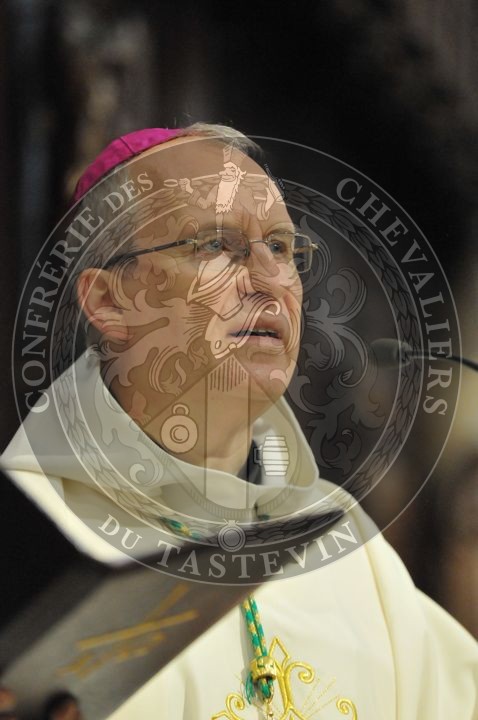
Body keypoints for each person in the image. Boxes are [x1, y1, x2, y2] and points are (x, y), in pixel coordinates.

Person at [2, 124, 477, 719]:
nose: (270, 279)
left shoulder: (350, 551)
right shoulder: (29, 544)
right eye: (215, 245)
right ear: (109, 301)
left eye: (281, 247)